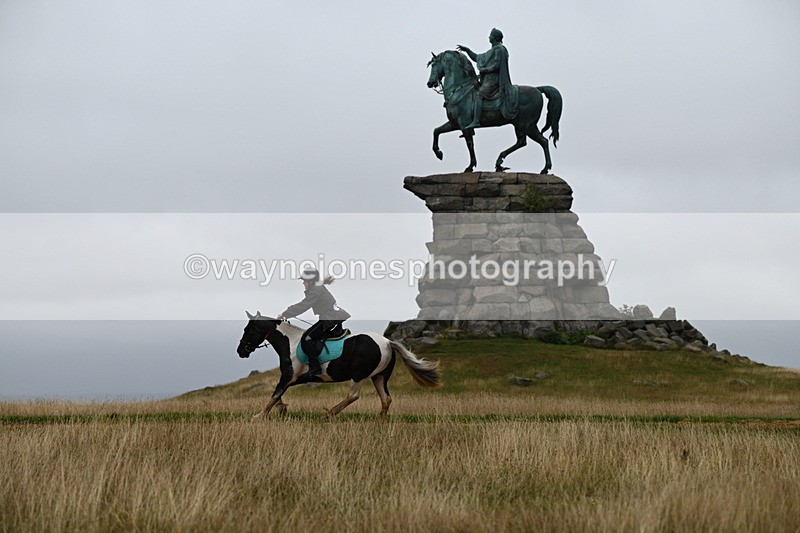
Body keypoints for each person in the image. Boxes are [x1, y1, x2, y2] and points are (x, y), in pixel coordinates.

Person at [277, 268, 351, 379]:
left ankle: (315, 368)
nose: (303, 283)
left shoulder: (316, 290)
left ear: (310, 281)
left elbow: (303, 305)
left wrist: (285, 314)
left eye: (304, 280)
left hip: (330, 319)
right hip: (330, 318)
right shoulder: (317, 288)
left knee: (306, 338)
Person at [457, 28, 519, 129]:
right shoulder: (492, 51)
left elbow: (497, 65)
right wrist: (467, 50)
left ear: (494, 37)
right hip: (487, 80)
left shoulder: (499, 49)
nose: (489, 37)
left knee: (479, 94)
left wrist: (485, 70)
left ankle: (476, 121)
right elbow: (477, 57)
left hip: (494, 81)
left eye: (490, 35)